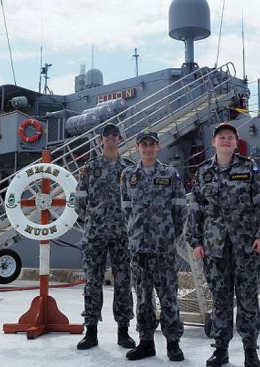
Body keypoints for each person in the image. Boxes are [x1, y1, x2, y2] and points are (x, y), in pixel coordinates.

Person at [186, 123, 260, 367]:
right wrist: (195, 241)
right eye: (221, 137)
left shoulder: (248, 167)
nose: (225, 140)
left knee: (247, 300)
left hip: (246, 247)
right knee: (220, 300)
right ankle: (220, 349)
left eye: (230, 137)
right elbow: (196, 210)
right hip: (214, 248)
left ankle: (250, 351)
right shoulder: (203, 173)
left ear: (236, 142)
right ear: (214, 142)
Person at [120, 130, 186, 362]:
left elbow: (180, 209)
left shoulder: (169, 173)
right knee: (143, 296)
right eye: (144, 144)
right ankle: (146, 342)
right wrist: (137, 231)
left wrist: (167, 233)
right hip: (138, 247)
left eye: (152, 144)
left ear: (158, 147)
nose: (148, 148)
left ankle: (173, 343)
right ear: (137, 147)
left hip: (163, 247)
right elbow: (126, 208)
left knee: (168, 296)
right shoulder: (128, 175)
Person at [74, 123, 136, 350]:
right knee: (92, 282)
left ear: (119, 139)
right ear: (101, 140)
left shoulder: (129, 169)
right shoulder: (89, 169)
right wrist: (92, 220)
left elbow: (135, 202)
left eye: (114, 135)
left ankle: (123, 332)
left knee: (123, 282)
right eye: (106, 135)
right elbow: (79, 202)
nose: (110, 138)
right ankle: (90, 332)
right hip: (95, 234)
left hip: (122, 234)